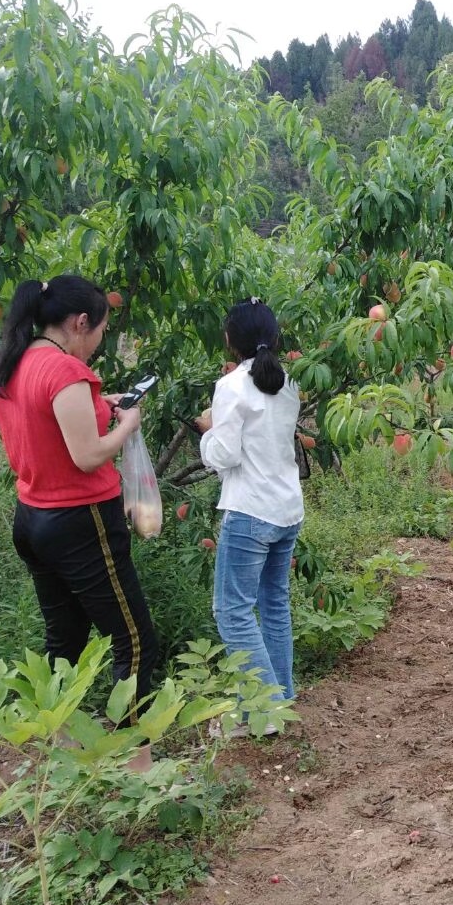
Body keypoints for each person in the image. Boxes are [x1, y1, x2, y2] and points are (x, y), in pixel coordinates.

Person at [0, 274, 159, 770]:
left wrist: (102, 405)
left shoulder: (13, 363)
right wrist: (125, 425)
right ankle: (137, 765)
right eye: (101, 330)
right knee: (135, 639)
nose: (101, 340)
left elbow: (47, 422)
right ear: (81, 322)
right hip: (82, 522)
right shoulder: (64, 372)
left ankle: (59, 744)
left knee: (65, 637)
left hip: (33, 519)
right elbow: (86, 455)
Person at [195, 298, 303, 735]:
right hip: (286, 508)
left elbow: (225, 455)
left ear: (229, 340)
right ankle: (281, 700)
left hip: (249, 511)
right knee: (273, 605)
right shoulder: (288, 382)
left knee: (232, 613)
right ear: (274, 337)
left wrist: (207, 432)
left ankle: (264, 714)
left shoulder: (232, 387)